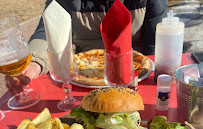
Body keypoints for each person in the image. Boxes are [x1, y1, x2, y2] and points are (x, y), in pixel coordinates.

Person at [6, 0, 168, 93]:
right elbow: (47, 31)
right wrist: (34, 62)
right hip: (80, 81)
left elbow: (154, 45)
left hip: (135, 82)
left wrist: (144, 80)